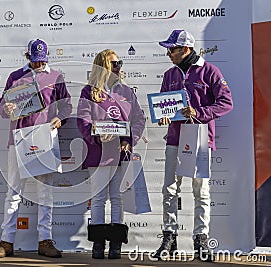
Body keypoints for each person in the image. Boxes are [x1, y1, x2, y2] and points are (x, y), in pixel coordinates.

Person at [153, 30, 233, 261]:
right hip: (175, 138)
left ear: (185, 49)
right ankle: (169, 236)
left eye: (171, 49)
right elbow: (162, 105)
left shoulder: (210, 71)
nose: (168, 53)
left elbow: (226, 103)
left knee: (201, 191)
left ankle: (201, 239)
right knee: (169, 189)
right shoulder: (169, 74)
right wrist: (163, 115)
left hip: (200, 137)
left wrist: (199, 112)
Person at [0, 39, 72, 258]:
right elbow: (1, 107)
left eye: (42, 61)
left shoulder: (56, 77)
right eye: (34, 61)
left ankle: (45, 241)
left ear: (47, 57)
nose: (38, 65)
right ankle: (6, 242)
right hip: (18, 140)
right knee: (13, 192)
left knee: (45, 194)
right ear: (27, 56)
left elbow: (66, 106)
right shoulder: (15, 77)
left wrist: (59, 119)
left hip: (45, 139)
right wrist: (6, 108)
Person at [77, 49, 145, 259]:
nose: (119, 67)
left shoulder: (126, 91)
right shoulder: (89, 92)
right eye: (114, 64)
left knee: (117, 199)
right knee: (98, 199)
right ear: (103, 66)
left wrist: (128, 140)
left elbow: (139, 119)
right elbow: (83, 120)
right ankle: (98, 244)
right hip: (98, 153)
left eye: (120, 63)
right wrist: (96, 137)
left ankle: (116, 244)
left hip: (121, 153)